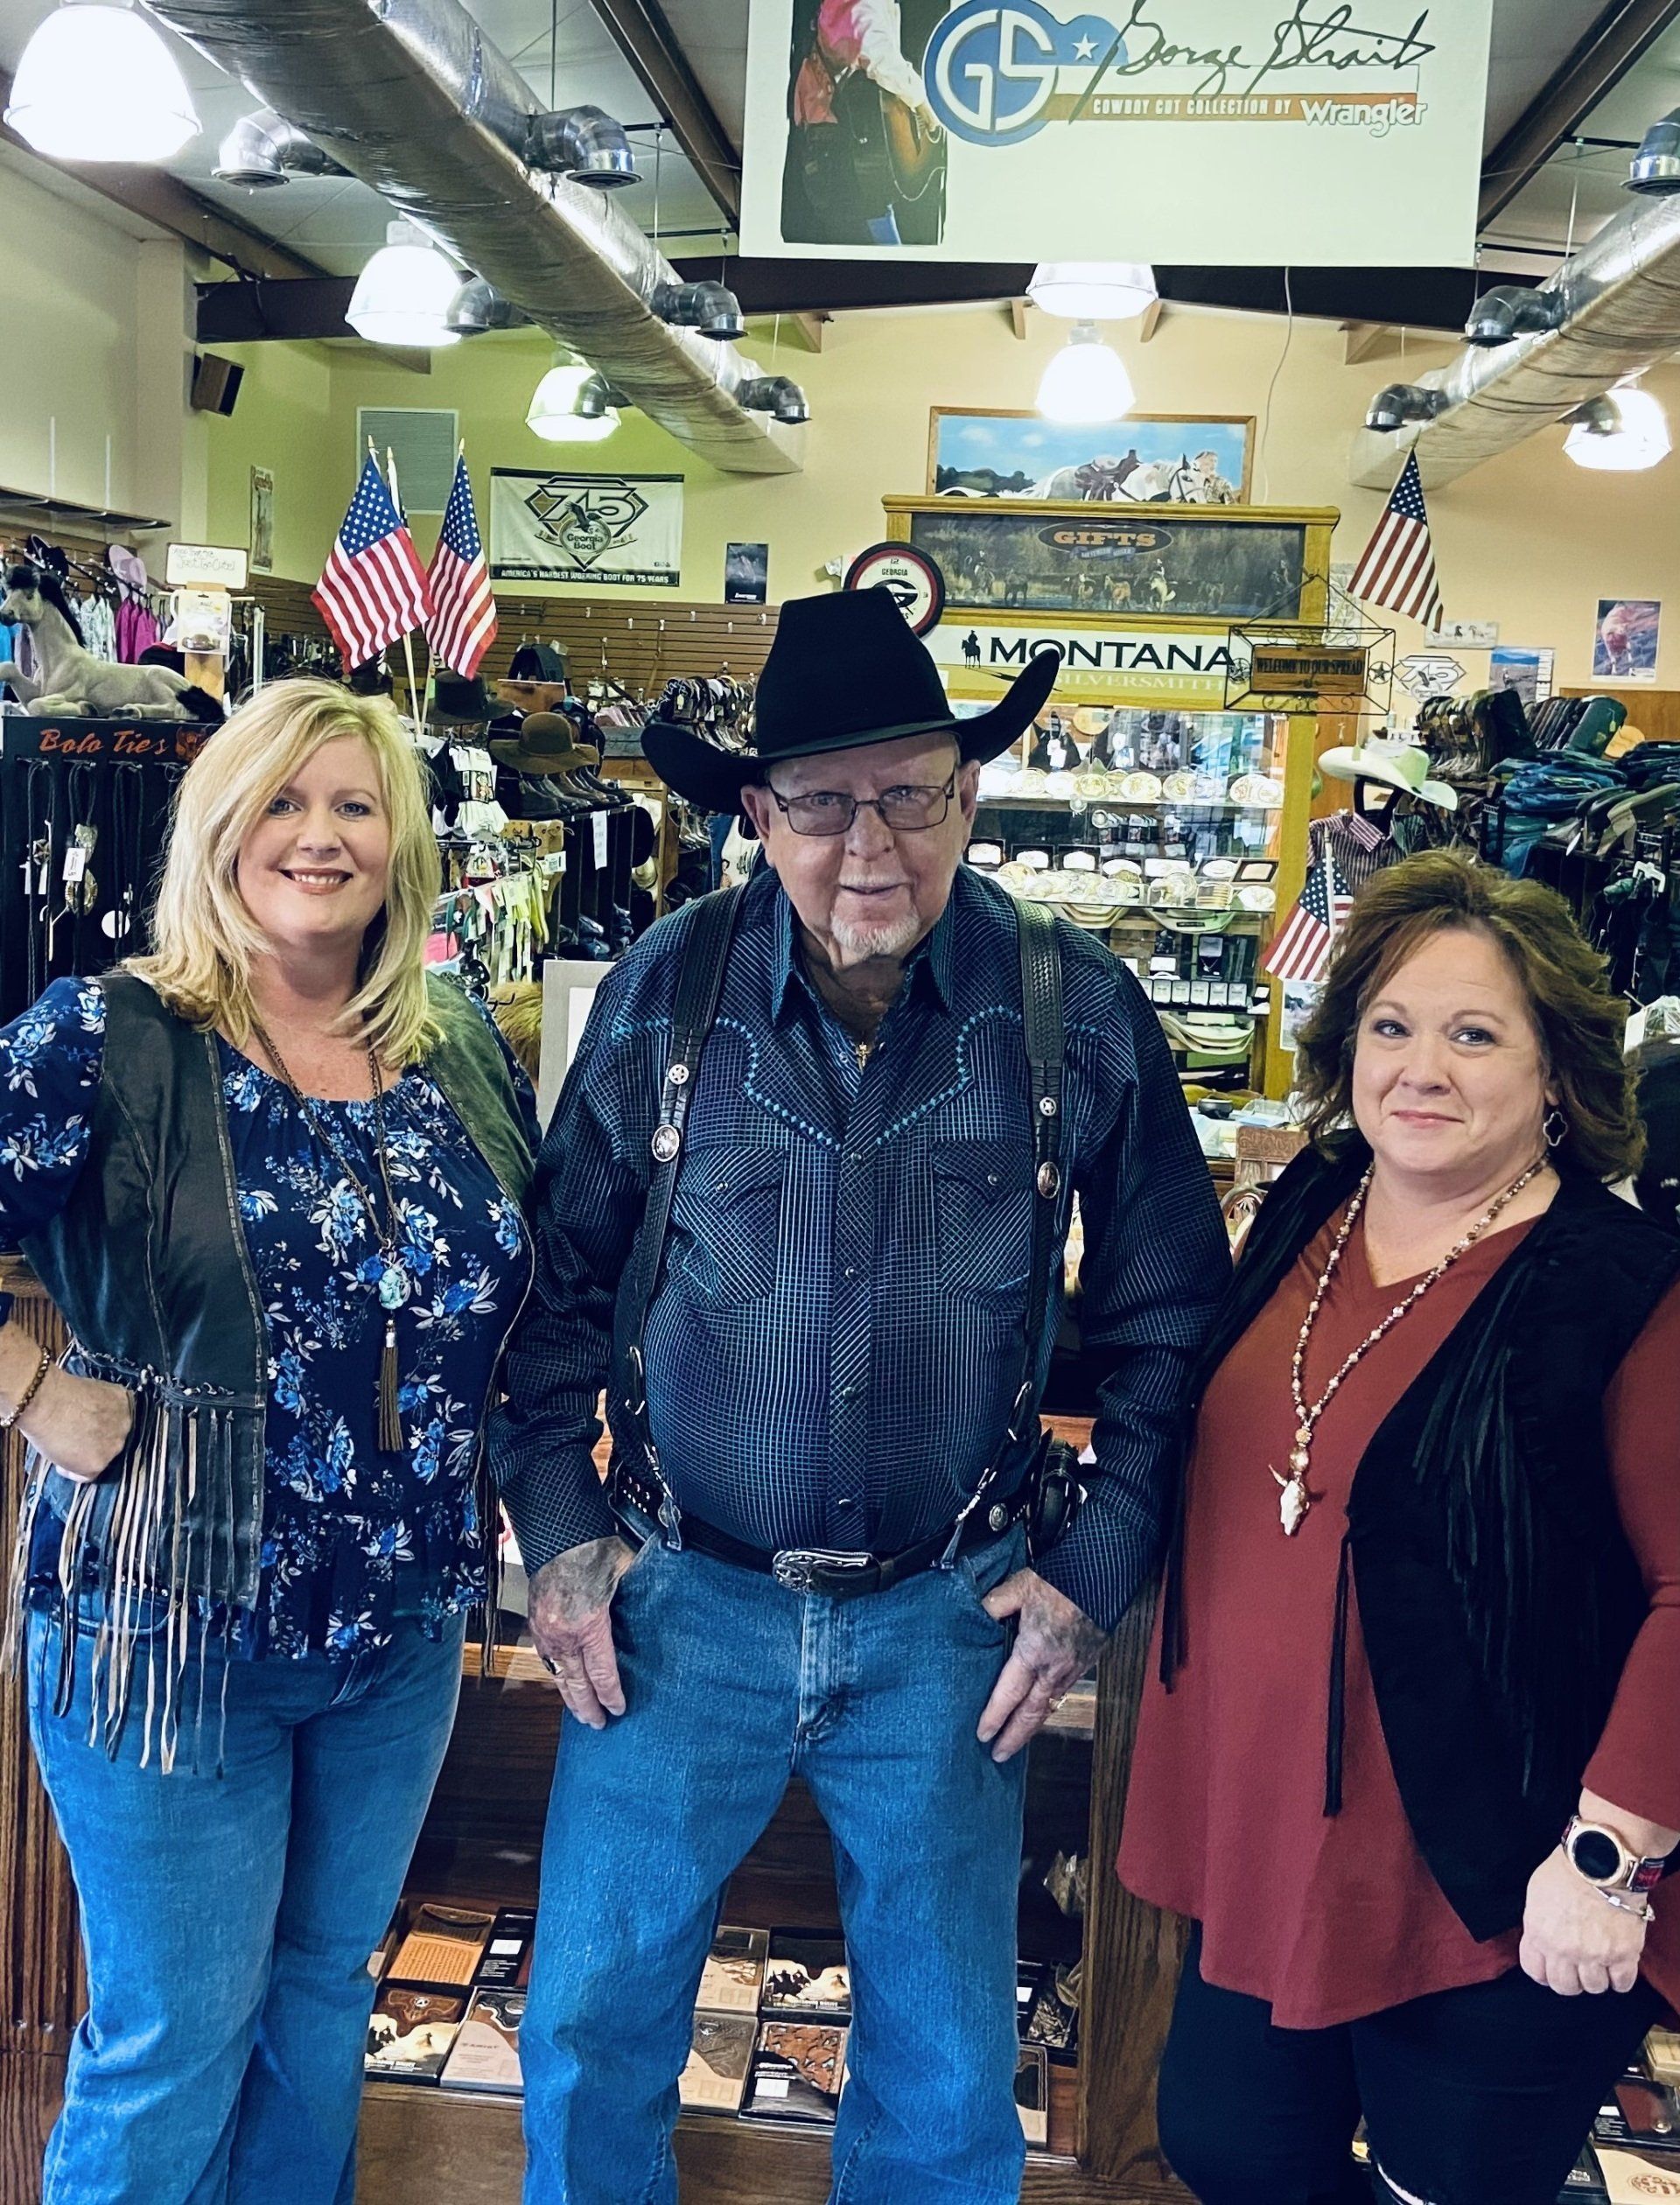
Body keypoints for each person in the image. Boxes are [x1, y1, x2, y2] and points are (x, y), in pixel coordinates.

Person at [490, 586, 1228, 2204]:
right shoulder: (666, 1001)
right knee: (596, 2026)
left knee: (948, 2068)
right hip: (676, 1613)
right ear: (757, 814)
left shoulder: (1073, 1009)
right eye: (823, 802)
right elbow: (546, 1311)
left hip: (948, 1628)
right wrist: (560, 1542)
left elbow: (1173, 1318)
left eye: (912, 792)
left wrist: (1087, 1578)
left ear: (970, 793)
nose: (870, 844)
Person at [0, 678, 537, 2204]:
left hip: (401, 1635)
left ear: (402, 843)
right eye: (283, 803)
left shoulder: (455, 1058)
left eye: (356, 805)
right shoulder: (111, 1037)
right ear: (221, 828)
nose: (321, 837)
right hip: (170, 1630)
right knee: (173, 2036)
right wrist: (36, 1389)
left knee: (318, 2002)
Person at [1119, 851, 1680, 2205]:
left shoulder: (1619, 1288)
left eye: (1474, 1033)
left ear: (1558, 1075)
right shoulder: (1312, 1207)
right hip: (1268, 1828)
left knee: (1452, 2183)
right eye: (1391, 1026)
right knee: (1230, 2149)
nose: (1421, 1067)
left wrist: (1610, 1861)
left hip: (1489, 1864)